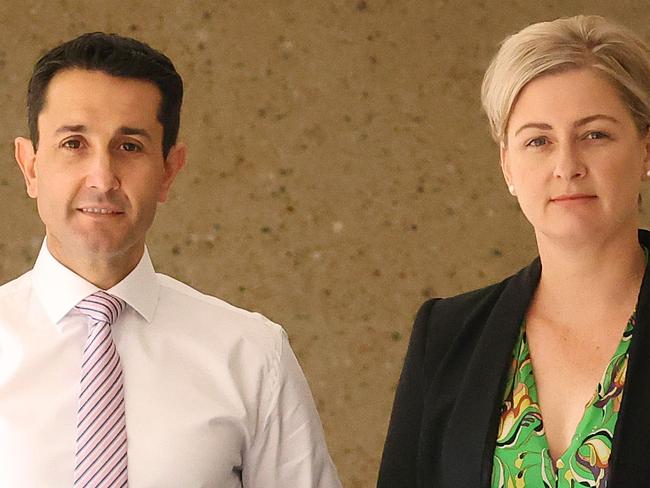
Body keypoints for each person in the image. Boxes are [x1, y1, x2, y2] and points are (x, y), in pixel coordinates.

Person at [0, 32, 341, 488]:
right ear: (31, 166)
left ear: (169, 170)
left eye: (129, 147)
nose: (102, 178)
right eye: (74, 144)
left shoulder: (252, 355)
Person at [377, 15, 650, 488]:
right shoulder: (445, 337)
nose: (567, 166)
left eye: (595, 134)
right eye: (538, 141)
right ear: (507, 165)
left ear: (646, 151)